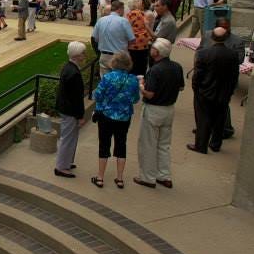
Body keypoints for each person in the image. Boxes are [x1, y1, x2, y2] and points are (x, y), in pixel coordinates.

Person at [134, 39, 184, 189]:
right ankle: (164, 175)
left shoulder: (155, 70)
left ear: (157, 52)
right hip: (169, 109)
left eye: (153, 48)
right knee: (164, 145)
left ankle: (148, 178)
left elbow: (149, 94)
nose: (151, 50)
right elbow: (181, 87)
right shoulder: (177, 67)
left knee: (148, 144)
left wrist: (141, 85)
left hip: (154, 110)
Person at [91, 51, 140, 189]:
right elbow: (136, 99)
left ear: (114, 63)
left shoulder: (107, 77)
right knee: (121, 144)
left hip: (106, 116)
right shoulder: (133, 80)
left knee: (104, 144)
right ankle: (119, 178)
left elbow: (98, 95)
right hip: (124, 117)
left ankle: (100, 177)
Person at [188, 27, 240, 155]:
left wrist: (196, 89)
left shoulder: (204, 53)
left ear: (212, 37)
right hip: (224, 92)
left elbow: (198, 75)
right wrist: (231, 90)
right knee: (220, 118)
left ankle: (201, 145)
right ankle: (216, 144)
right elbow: (234, 75)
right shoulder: (233, 55)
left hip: (205, 91)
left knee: (203, 118)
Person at [54, 42, 87, 178]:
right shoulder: (73, 73)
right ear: (77, 55)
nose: (85, 55)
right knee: (68, 138)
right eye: (83, 53)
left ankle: (66, 162)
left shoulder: (68, 68)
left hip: (66, 108)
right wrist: (80, 116)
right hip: (70, 111)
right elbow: (76, 98)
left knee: (70, 137)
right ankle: (61, 167)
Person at [92, 1, 135, 74]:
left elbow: (95, 38)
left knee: (105, 81)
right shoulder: (123, 21)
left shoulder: (101, 20)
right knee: (119, 81)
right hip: (119, 57)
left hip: (104, 55)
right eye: (123, 9)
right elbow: (132, 40)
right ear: (120, 9)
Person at [125, 0, 152, 76]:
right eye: (138, 1)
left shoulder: (130, 14)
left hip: (133, 43)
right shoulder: (142, 13)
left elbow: (127, 27)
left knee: (133, 66)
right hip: (143, 43)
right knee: (141, 66)